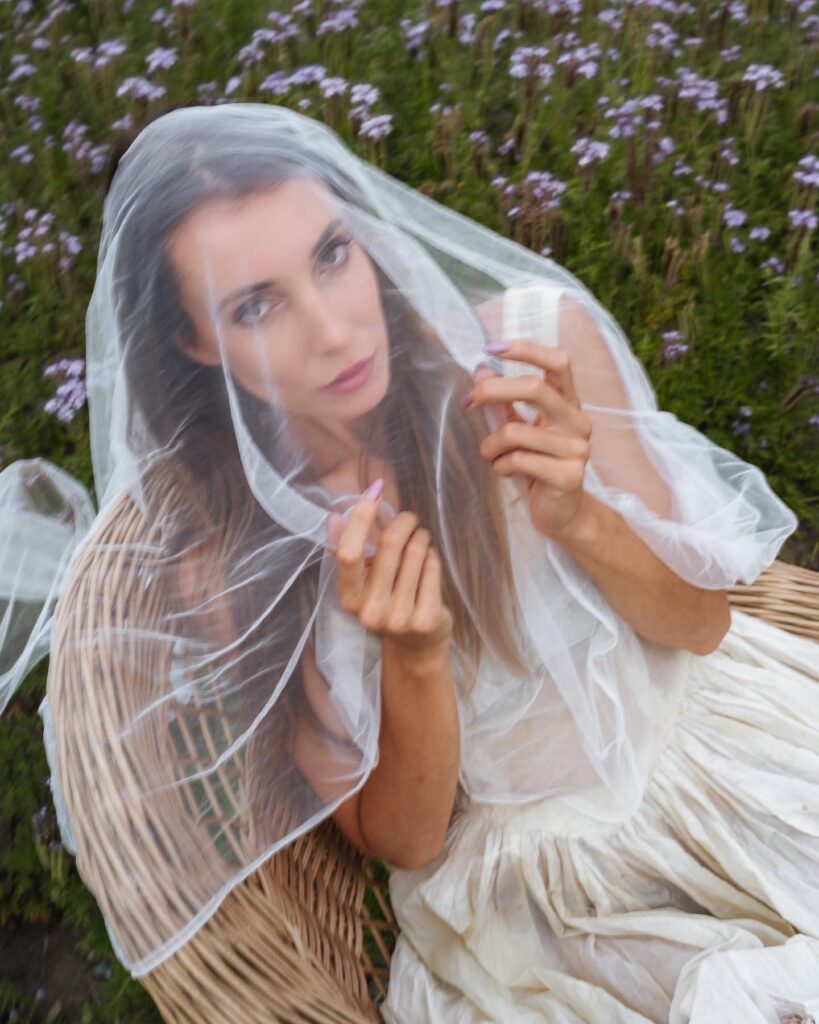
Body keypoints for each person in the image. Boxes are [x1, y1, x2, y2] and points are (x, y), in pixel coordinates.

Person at [0, 102, 817, 1023]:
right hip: (544, 897)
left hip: (715, 754)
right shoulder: (233, 565)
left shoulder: (527, 354)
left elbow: (701, 625)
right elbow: (408, 839)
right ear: (193, 341)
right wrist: (414, 660)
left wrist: (578, 517)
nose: (334, 331)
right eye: (256, 306)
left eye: (331, 255)